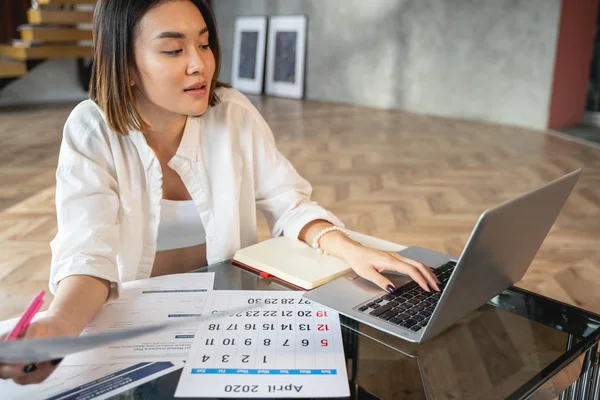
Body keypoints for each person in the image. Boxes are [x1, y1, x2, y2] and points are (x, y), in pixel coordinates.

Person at [0, 0, 439, 386]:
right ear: (126, 66)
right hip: (135, 324)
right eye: (173, 49)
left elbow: (288, 202)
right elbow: (86, 253)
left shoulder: (231, 112)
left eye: (205, 43)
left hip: (228, 314)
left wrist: (348, 246)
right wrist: (58, 323)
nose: (200, 65)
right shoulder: (91, 128)